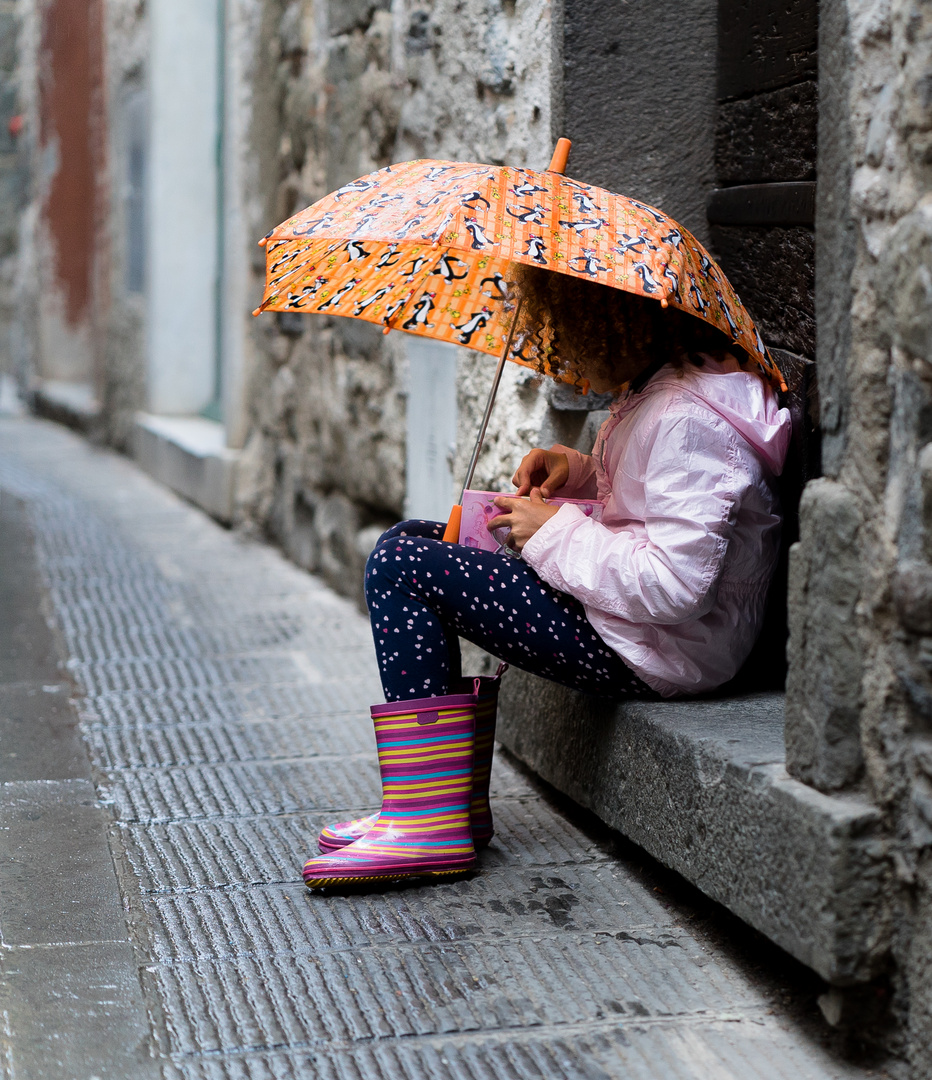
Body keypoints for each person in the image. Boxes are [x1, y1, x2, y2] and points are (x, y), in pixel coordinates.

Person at [302, 264, 792, 889]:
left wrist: (553, 531)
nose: (558, 351)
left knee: (401, 567)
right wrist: (581, 472)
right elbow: (653, 500)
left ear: (609, 324)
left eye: (566, 331)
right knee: (410, 543)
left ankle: (428, 820)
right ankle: (448, 805)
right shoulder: (660, 393)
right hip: (628, 626)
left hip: (657, 648)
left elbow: (676, 584)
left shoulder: (687, 420)